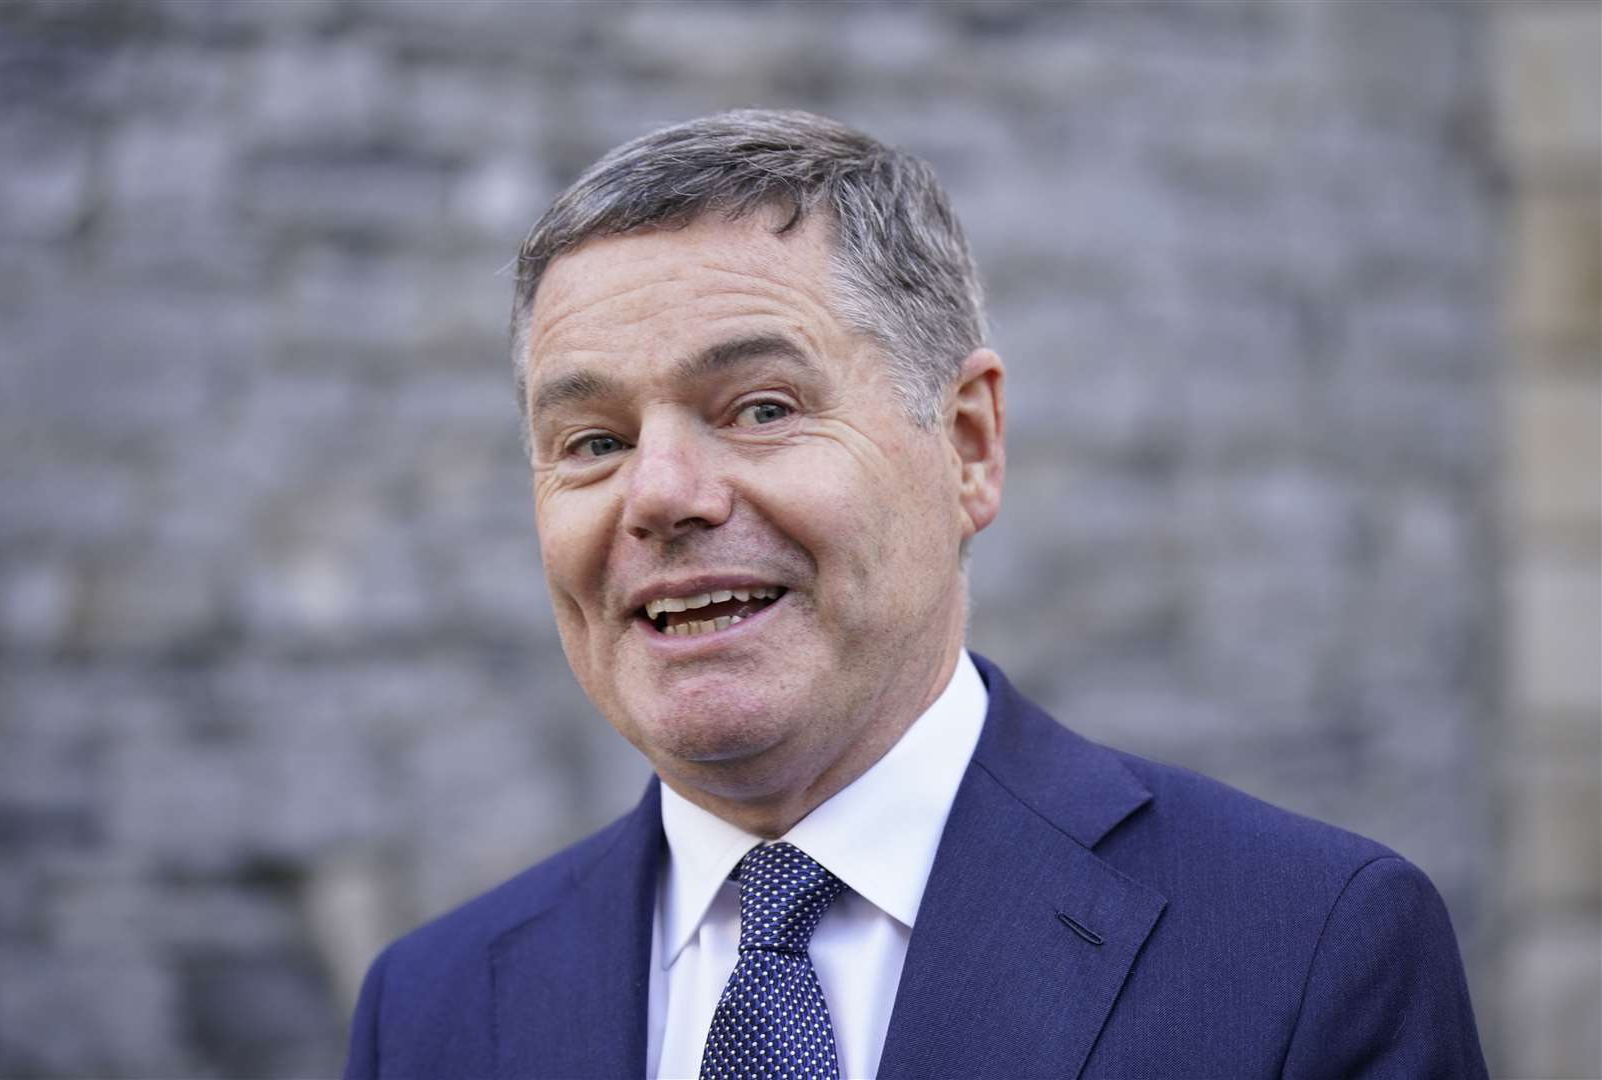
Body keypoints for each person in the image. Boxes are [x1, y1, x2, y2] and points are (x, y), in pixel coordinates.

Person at [343, 109, 1487, 1080]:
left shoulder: (1305, 952)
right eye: (593, 439)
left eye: (763, 408)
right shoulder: (436, 1013)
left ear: (970, 447)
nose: (663, 496)